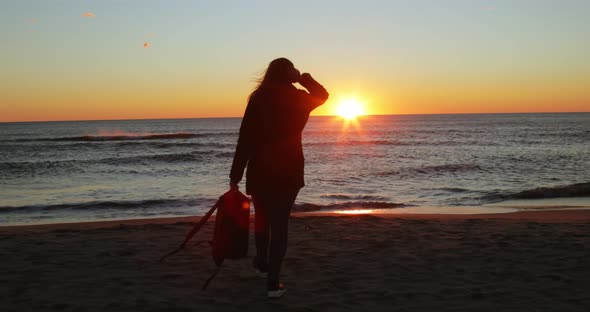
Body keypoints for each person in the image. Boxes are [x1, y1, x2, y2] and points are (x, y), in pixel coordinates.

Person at [229, 57, 329, 298]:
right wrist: (304, 77)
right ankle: (273, 282)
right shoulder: (298, 99)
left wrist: (236, 174)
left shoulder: (258, 98)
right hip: (288, 169)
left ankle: (263, 264)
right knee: (279, 225)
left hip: (260, 168)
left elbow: (245, 138)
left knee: (263, 219)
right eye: (292, 68)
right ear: (288, 73)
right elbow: (323, 95)